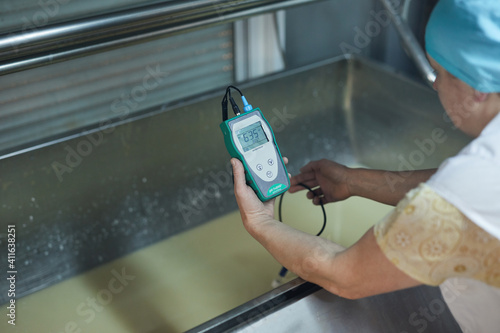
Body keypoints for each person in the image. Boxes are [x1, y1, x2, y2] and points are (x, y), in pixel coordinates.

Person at [229, 0, 500, 332]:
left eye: (440, 72)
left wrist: (260, 222)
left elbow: (343, 275)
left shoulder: (471, 183)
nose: (434, 84)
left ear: (478, 89)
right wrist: (352, 180)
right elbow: (457, 189)